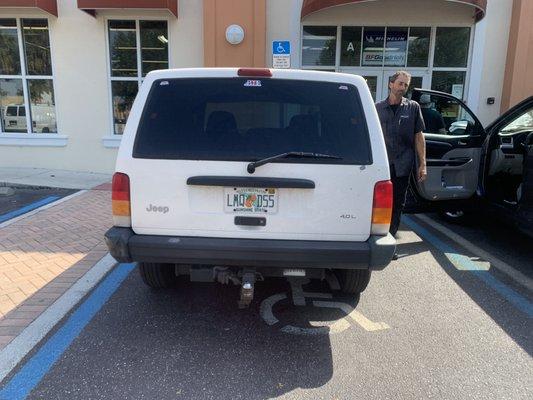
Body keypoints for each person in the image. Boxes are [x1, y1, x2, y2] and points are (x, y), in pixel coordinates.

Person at [375, 71, 427, 258]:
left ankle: (389, 245)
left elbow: (419, 137)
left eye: (405, 85)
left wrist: (423, 164)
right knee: (378, 205)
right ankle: (375, 241)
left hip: (402, 166)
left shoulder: (412, 108)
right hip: (381, 166)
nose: (402, 87)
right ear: (390, 84)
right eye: (399, 83)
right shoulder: (377, 108)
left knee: (397, 205)